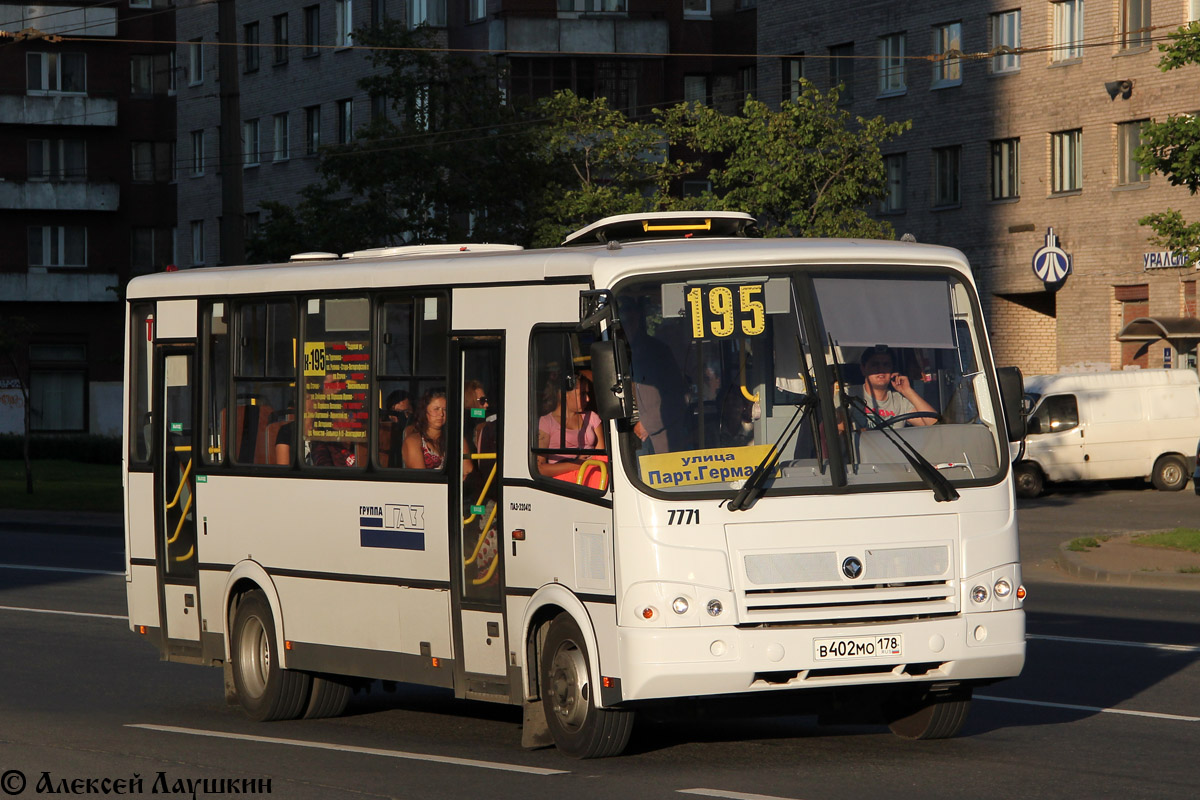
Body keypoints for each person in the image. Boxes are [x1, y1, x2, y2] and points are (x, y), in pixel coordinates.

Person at [619, 295, 690, 454]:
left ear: (639, 317)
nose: (627, 322)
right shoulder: (615, 352)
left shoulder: (658, 352)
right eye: (623, 317)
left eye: (631, 316)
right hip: (623, 441)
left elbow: (681, 397)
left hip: (658, 443)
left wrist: (648, 424)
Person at [536, 371, 606, 479]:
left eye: (587, 394)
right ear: (564, 395)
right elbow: (540, 468)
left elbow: (602, 456)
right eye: (582, 394)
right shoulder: (546, 423)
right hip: (567, 486)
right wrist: (577, 464)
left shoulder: (592, 417)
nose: (588, 399)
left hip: (595, 477)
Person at [847, 345, 937, 428]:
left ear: (892, 370)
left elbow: (935, 425)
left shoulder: (900, 401)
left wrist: (908, 391)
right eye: (875, 364)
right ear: (863, 369)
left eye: (886, 365)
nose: (881, 369)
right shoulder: (848, 395)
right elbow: (838, 429)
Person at [402, 388, 473, 475]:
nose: (441, 414)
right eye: (436, 409)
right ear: (424, 411)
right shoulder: (413, 441)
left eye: (445, 410)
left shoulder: (456, 439)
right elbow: (421, 478)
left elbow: (468, 470)